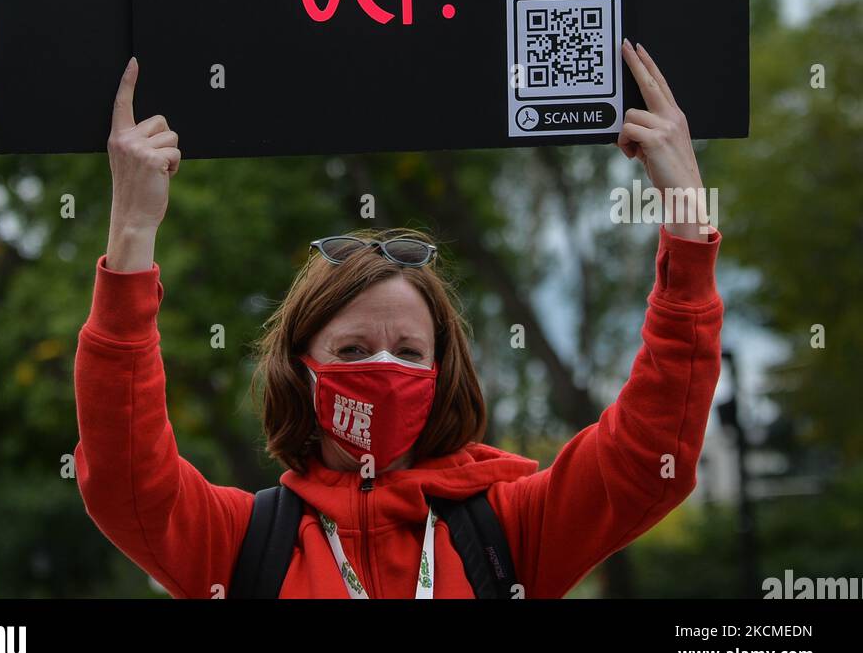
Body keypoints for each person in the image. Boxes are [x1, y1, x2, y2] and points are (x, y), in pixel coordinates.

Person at [73, 39, 722, 599]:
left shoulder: (511, 529)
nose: (383, 369)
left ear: (441, 375)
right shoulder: (241, 545)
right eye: (352, 351)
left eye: (409, 353)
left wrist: (688, 215)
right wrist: (132, 232)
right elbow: (126, 476)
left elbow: (650, 454)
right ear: (302, 371)